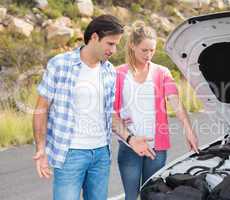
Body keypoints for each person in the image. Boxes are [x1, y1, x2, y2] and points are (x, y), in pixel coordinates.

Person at [32, 15, 154, 200]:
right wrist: (41, 148)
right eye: (110, 44)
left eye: (116, 45)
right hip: (70, 154)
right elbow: (41, 109)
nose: (113, 50)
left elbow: (110, 114)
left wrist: (130, 138)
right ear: (95, 37)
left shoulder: (109, 71)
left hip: (100, 155)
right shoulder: (60, 64)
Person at [114, 21, 199, 200]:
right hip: (130, 146)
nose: (149, 55)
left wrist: (188, 130)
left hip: (157, 148)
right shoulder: (118, 74)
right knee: (131, 196)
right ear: (132, 45)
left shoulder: (162, 72)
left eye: (152, 50)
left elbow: (176, 102)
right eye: (144, 50)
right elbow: (112, 112)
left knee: (151, 195)